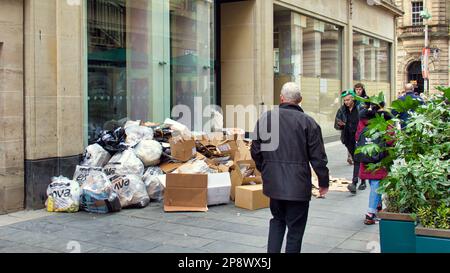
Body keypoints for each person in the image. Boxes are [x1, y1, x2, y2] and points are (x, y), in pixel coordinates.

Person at [251, 82, 330, 253]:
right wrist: (324, 182)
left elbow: (255, 149)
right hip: (298, 185)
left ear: (281, 98)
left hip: (274, 184)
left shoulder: (266, 118)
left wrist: (265, 169)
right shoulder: (309, 122)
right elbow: (318, 158)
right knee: (295, 230)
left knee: (277, 221)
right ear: (300, 100)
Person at [355, 102, 394, 225]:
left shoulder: (363, 120)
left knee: (373, 184)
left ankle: (377, 208)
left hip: (366, 157)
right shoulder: (385, 121)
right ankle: (370, 214)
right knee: (377, 184)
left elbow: (357, 136)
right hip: (379, 160)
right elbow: (390, 141)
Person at [334, 89, 363, 193]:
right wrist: (341, 125)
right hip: (348, 138)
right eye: (345, 100)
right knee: (357, 159)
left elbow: (364, 122)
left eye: (348, 100)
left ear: (353, 99)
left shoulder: (360, 108)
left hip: (359, 138)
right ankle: (362, 179)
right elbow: (336, 125)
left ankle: (355, 182)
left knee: (357, 158)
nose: (346, 102)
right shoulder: (342, 110)